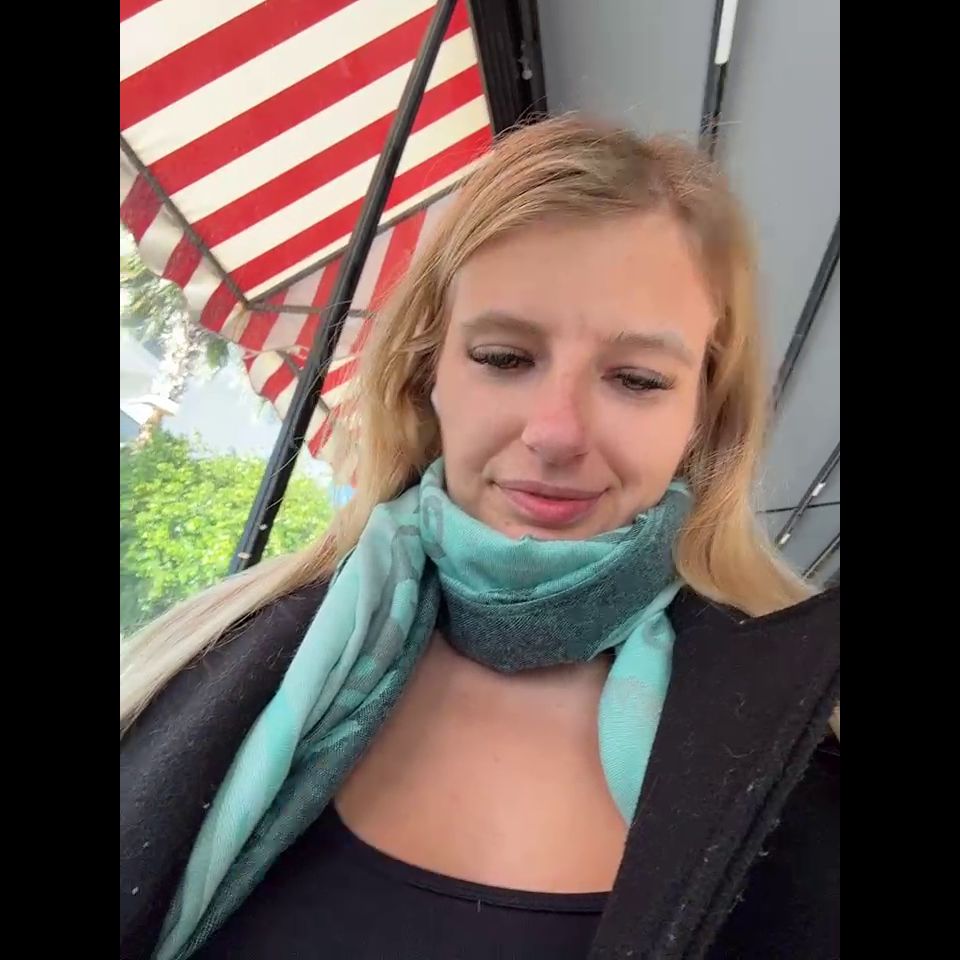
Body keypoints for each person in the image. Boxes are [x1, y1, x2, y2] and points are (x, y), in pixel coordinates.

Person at [120, 115, 840, 960]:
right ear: (427, 371)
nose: (556, 432)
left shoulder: (807, 752)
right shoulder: (198, 656)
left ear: (701, 416)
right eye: (504, 358)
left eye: (637, 378)